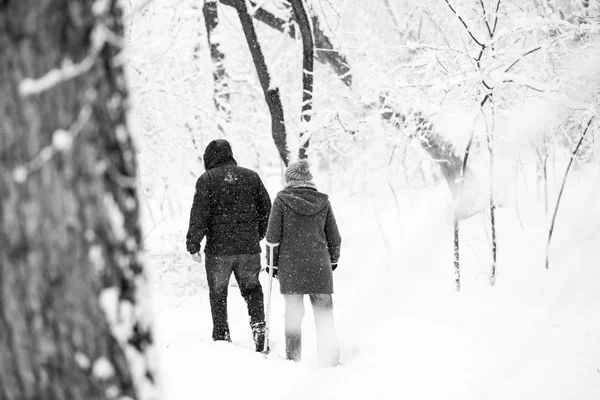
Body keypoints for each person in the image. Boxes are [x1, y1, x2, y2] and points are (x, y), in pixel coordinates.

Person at [186, 139, 271, 352]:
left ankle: (222, 338)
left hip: (218, 251)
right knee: (252, 290)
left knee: (218, 294)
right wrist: (257, 235)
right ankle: (259, 328)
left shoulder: (206, 180)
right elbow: (267, 211)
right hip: (248, 249)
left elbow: (199, 215)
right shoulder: (252, 177)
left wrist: (193, 243)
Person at [265, 159, 342, 366]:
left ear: (288, 179)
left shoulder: (281, 200)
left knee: (293, 314)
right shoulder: (323, 202)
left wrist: (272, 264)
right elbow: (334, 237)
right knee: (324, 314)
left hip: (291, 268)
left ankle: (293, 359)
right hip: (319, 266)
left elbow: (272, 238)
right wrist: (332, 260)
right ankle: (330, 360)